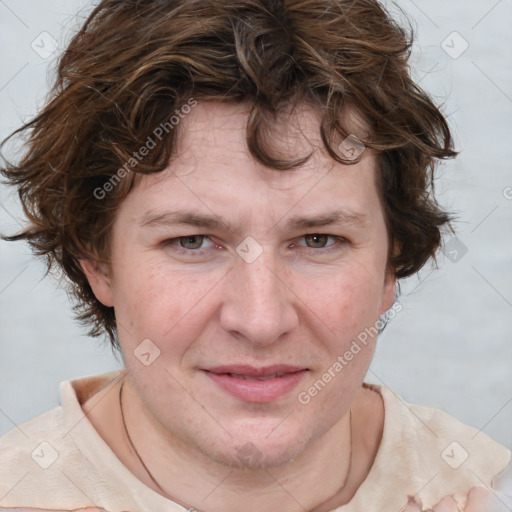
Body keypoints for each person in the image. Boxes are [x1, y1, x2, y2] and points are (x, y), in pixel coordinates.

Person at [0, 0, 510, 511]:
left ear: (390, 264)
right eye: (192, 242)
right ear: (98, 262)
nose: (261, 320)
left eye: (318, 240)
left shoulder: (491, 486)